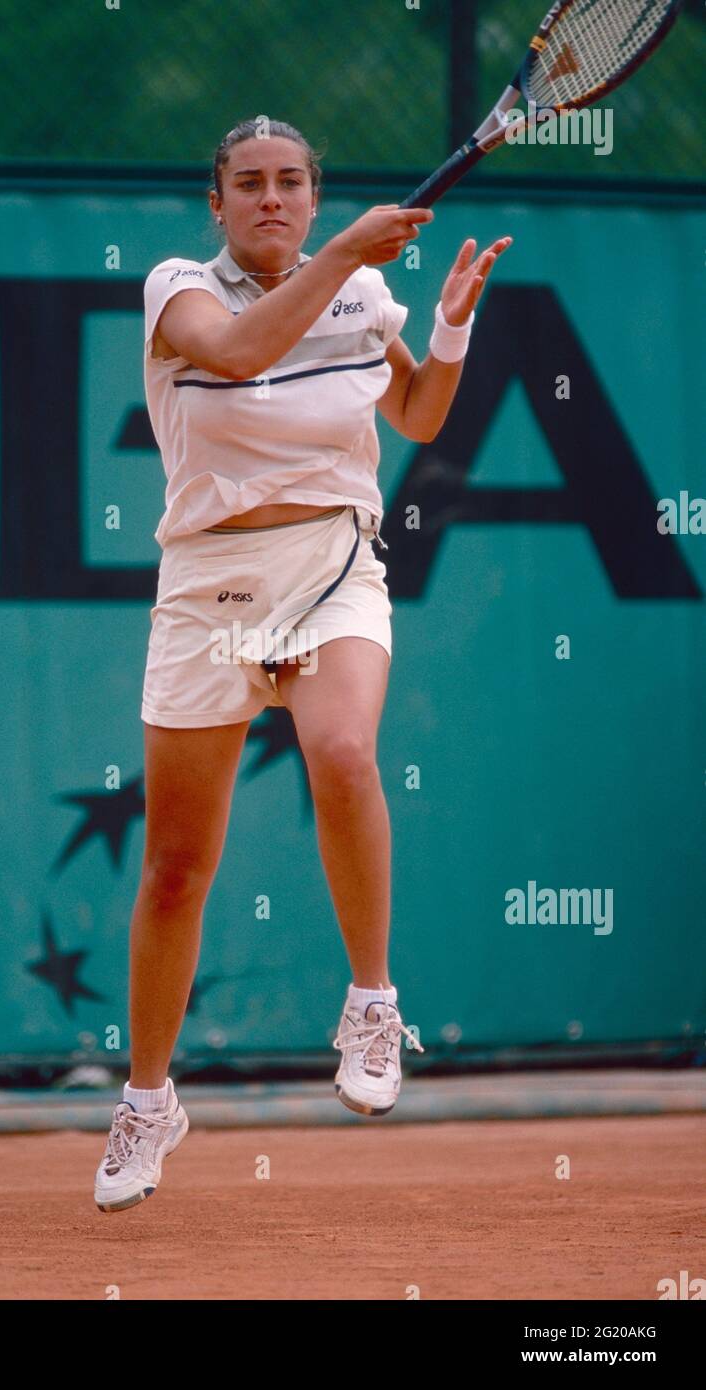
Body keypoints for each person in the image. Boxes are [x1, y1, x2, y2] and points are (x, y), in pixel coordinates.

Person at [95, 119, 512, 1212]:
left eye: (290, 183)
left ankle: (370, 1000)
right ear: (218, 200)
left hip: (331, 556)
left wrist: (450, 329)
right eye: (250, 184)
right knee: (177, 867)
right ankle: (146, 1102)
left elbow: (415, 411)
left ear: (314, 195)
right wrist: (345, 261)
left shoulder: (362, 298)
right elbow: (233, 355)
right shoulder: (177, 287)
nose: (271, 199)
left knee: (339, 749)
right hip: (206, 587)